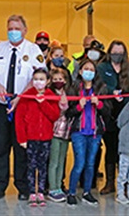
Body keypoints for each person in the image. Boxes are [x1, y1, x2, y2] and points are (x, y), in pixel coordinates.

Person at [0, 14, 45, 200]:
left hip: (24, 107)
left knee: (22, 148)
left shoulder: (34, 50)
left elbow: (39, 77)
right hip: (1, 106)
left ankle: (23, 187)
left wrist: (22, 95)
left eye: (17, 29)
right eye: (10, 29)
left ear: (25, 30)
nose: (13, 32)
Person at [97, 40, 129, 195]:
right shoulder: (101, 68)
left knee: (126, 151)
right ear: (109, 52)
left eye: (120, 53)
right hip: (108, 114)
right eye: (114, 52)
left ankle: (125, 181)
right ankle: (110, 182)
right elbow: (98, 86)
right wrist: (110, 91)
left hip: (126, 115)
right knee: (111, 148)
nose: (117, 55)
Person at [16, 68, 60, 207]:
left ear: (47, 81)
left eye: (41, 79)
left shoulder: (51, 95)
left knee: (42, 166)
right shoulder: (26, 96)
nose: (38, 82)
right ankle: (31, 193)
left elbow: (54, 115)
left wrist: (43, 103)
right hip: (30, 138)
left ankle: (41, 191)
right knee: (30, 166)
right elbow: (19, 119)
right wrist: (22, 138)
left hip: (46, 138)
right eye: (36, 79)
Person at [65, 59, 107, 206]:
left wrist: (99, 104)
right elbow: (67, 113)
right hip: (79, 132)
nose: (88, 72)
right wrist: (78, 107)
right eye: (86, 69)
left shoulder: (101, 89)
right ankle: (71, 192)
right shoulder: (73, 88)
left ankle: (87, 192)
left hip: (95, 133)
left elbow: (108, 111)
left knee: (90, 164)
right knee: (79, 163)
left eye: (92, 69)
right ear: (81, 71)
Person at [47, 68, 75, 203]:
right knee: (53, 161)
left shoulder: (68, 92)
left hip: (66, 131)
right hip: (54, 130)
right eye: (55, 79)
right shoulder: (49, 93)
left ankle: (59, 186)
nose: (58, 82)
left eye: (61, 79)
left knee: (61, 160)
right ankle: (52, 188)